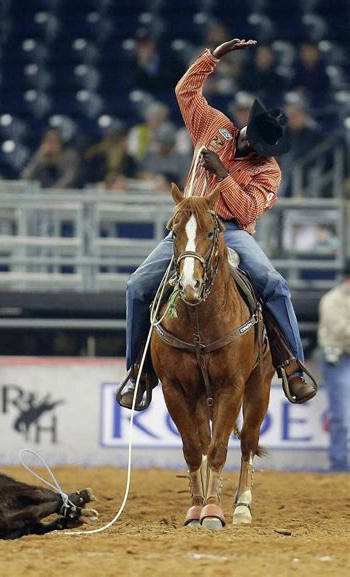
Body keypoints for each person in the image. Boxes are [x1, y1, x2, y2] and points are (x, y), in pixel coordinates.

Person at [117, 38, 318, 410]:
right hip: (189, 225)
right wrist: (211, 58)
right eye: (254, 143)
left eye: (263, 150)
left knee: (273, 283)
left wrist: (225, 176)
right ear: (246, 129)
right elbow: (185, 91)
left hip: (232, 232)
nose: (256, 152)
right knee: (137, 286)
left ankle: (292, 366)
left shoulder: (268, 171)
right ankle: (138, 371)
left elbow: (248, 213)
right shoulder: (214, 126)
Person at [318, 262, 350, 472]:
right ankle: (339, 465)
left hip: (340, 358)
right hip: (338, 358)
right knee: (342, 416)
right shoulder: (332, 299)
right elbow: (340, 331)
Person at [138, 122, 190, 191]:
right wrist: (148, 177)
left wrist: (170, 183)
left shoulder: (181, 159)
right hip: (149, 193)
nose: (162, 146)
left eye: (165, 143)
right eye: (160, 142)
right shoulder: (149, 156)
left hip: (174, 193)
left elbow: (186, 182)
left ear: (172, 144)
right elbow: (138, 175)